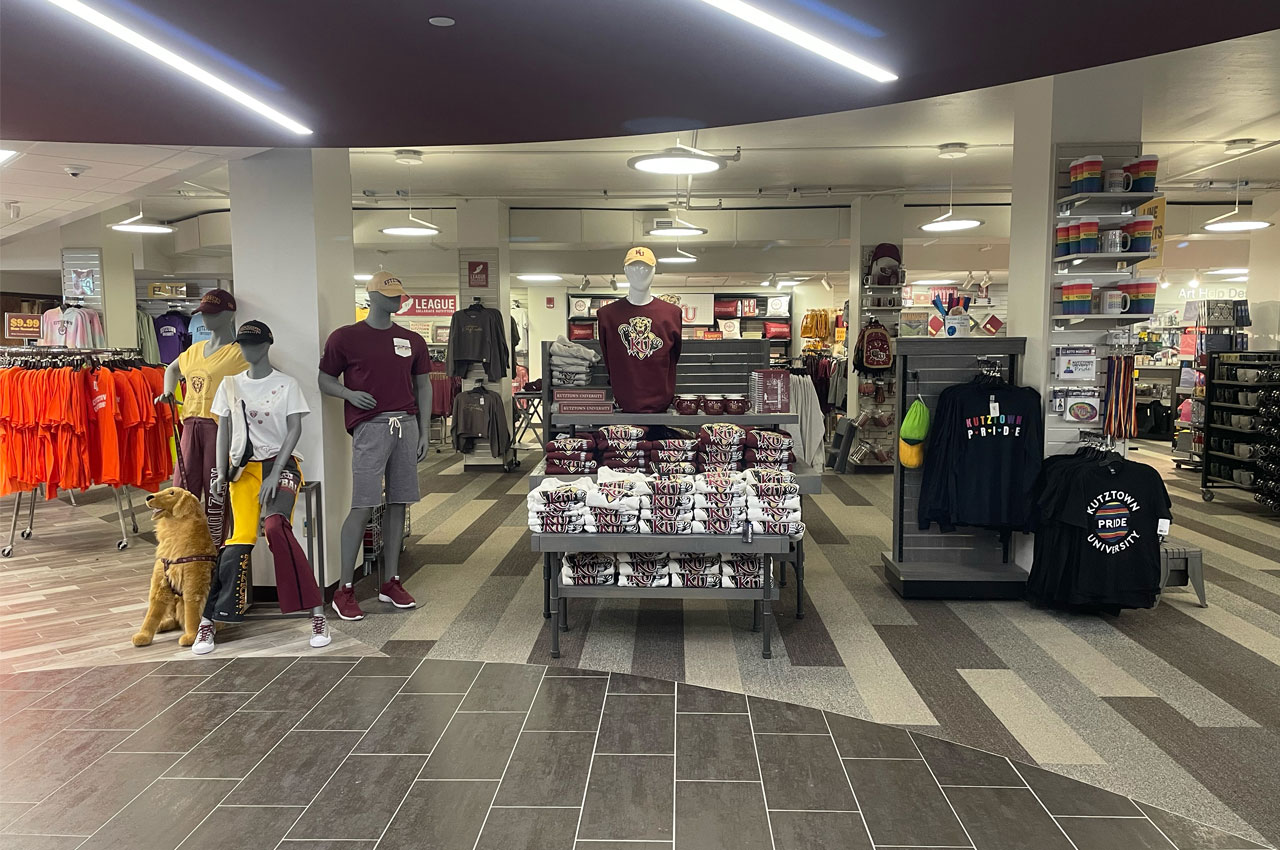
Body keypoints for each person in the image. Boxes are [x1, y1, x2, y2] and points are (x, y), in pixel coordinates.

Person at [192, 320, 329, 654]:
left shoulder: (286, 385)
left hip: (280, 464)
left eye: (253, 343)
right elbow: (223, 431)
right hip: (243, 469)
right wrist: (220, 473)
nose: (247, 349)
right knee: (238, 540)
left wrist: (276, 472)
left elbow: (294, 430)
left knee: (276, 527)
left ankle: (317, 614)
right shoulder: (230, 385)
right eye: (242, 343)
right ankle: (209, 621)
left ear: (267, 344)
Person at [318, 272, 431, 620]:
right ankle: (344, 589)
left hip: (406, 424)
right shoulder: (345, 338)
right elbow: (324, 378)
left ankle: (391, 581)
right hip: (370, 427)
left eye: (399, 294)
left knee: (399, 503)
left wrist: (424, 431)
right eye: (389, 294)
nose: (396, 300)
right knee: (363, 504)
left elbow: (423, 385)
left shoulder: (412, 340)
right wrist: (349, 394)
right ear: (372, 296)